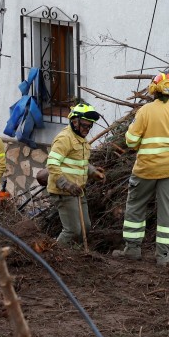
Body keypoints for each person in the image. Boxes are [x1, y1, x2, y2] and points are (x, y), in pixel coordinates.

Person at [113, 73, 169, 266]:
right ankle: (163, 256)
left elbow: (131, 142)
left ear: (154, 90)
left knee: (136, 207)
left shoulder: (145, 111)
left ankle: (132, 250)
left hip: (146, 169)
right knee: (167, 210)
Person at [47, 103, 100, 247]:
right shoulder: (64, 138)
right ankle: (54, 256)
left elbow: (81, 162)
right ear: (74, 121)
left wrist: (93, 172)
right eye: (84, 125)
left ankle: (72, 256)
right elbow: (52, 164)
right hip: (63, 192)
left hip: (78, 191)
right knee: (73, 231)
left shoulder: (82, 140)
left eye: (90, 126)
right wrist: (66, 185)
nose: (87, 129)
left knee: (86, 228)